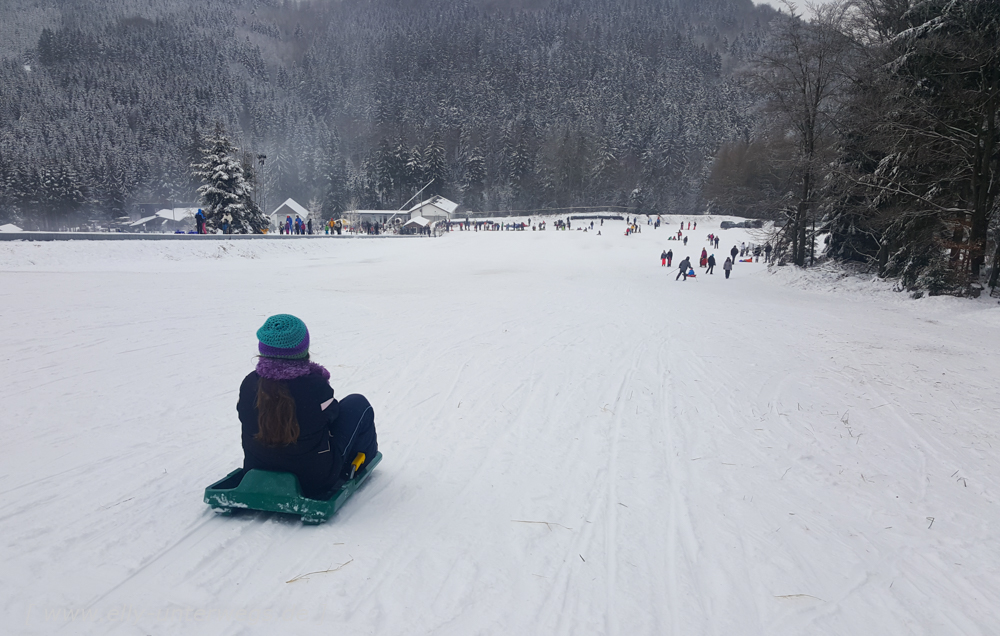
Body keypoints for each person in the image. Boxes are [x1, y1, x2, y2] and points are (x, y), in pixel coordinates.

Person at [237, 315, 379, 499]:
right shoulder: (315, 385)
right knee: (357, 404)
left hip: (256, 469)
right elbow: (333, 415)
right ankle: (361, 460)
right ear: (302, 348)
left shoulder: (249, 383)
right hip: (314, 478)